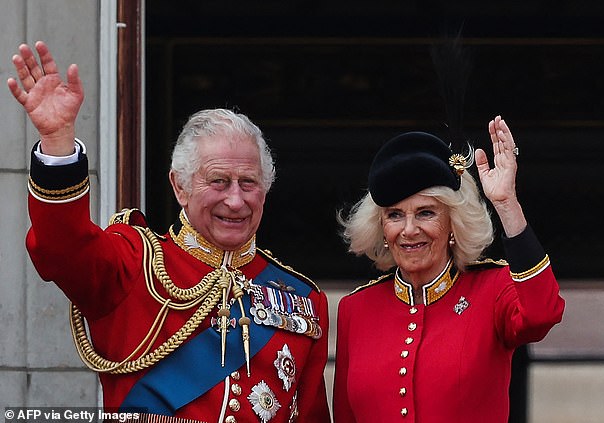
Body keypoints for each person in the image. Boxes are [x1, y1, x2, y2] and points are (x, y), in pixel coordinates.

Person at [8, 41, 331, 423]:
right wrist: (58, 143)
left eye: (248, 182)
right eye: (218, 181)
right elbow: (62, 247)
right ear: (179, 186)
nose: (235, 200)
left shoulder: (302, 300)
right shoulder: (133, 264)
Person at [333, 119, 565, 422]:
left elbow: (542, 314)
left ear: (453, 224)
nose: (409, 229)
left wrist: (507, 205)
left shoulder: (492, 290)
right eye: (395, 215)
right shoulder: (356, 309)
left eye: (426, 213)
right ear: (381, 227)